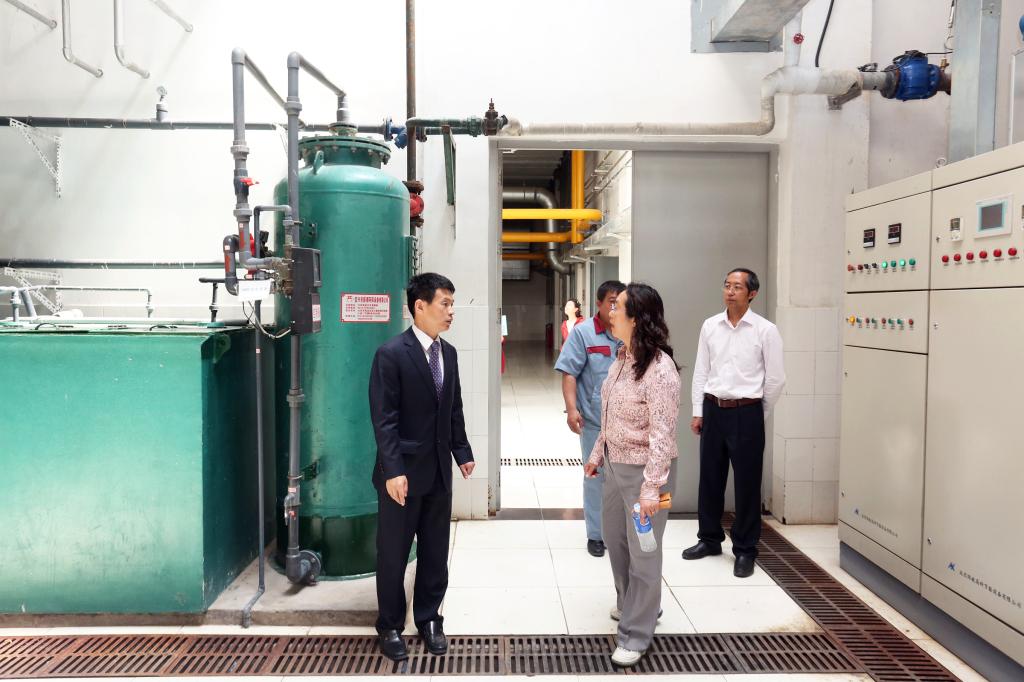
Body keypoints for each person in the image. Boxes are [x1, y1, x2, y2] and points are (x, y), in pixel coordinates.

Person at [369, 273, 475, 661]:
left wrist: (462, 451)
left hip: (438, 472)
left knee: (435, 551)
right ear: (420, 306)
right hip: (401, 475)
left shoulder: (449, 354)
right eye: (445, 303)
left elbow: (453, 407)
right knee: (394, 554)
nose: (451, 311)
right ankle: (390, 624)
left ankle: (429, 618)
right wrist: (393, 470)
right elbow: (384, 419)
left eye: (452, 304)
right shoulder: (391, 354)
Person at [584, 283, 680, 668]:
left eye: (618, 306)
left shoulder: (660, 370)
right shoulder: (622, 358)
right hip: (614, 468)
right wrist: (597, 454)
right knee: (615, 539)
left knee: (644, 552)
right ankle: (632, 603)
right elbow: (609, 417)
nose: (611, 312)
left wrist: (651, 488)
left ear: (637, 318)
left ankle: (636, 633)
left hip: (646, 474)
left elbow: (662, 435)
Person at [683, 268, 785, 578]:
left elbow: (776, 379)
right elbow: (701, 370)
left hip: (748, 412)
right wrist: (698, 411)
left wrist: (757, 413)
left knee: (747, 484)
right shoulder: (710, 326)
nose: (730, 291)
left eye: (737, 287)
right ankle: (709, 539)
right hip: (713, 409)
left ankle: (745, 549)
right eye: (727, 285)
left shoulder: (765, 330)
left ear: (752, 293)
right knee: (710, 478)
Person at [554, 280, 626, 557]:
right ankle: (596, 535)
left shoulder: (629, 331)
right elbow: (569, 373)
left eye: (620, 302)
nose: (615, 307)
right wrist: (572, 409)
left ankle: (620, 532)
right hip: (595, 421)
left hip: (628, 422)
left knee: (627, 479)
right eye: (611, 302)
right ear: (599, 303)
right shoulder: (584, 333)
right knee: (595, 477)